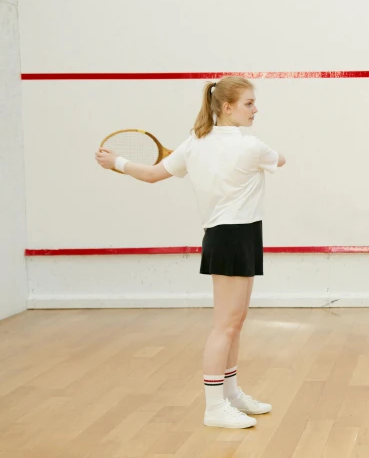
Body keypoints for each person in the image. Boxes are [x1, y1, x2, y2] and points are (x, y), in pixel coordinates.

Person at [95, 76, 286, 429]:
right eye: (248, 103)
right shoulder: (251, 146)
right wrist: (119, 163)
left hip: (241, 234)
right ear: (227, 107)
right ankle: (214, 407)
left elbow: (152, 174)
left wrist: (117, 162)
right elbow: (281, 160)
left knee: (235, 322)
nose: (255, 109)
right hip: (230, 237)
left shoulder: (194, 145)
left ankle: (231, 395)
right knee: (224, 326)